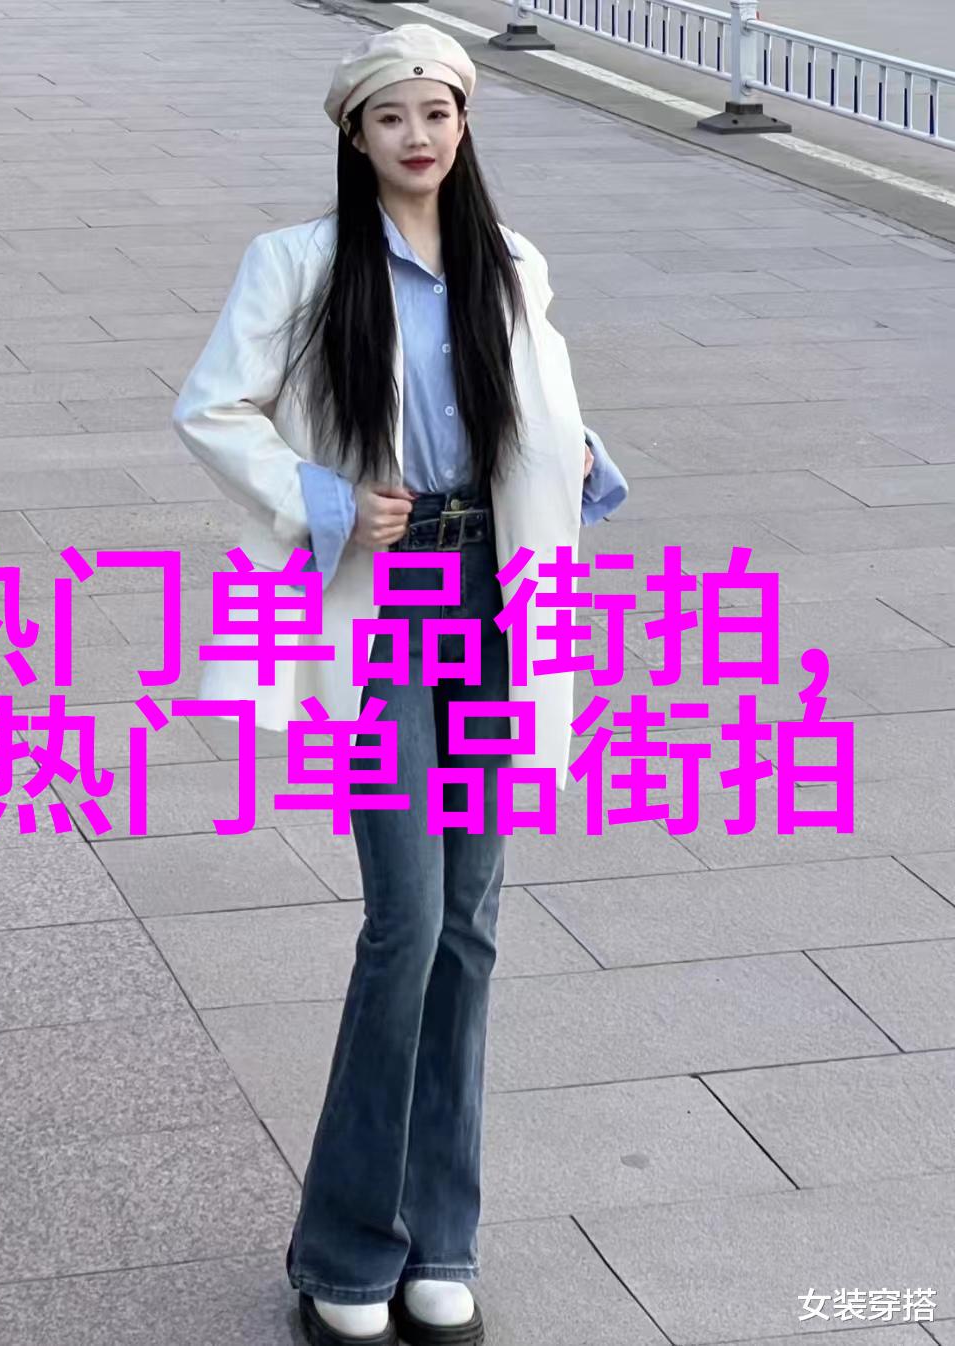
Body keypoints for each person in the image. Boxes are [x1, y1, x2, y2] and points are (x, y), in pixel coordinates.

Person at [172, 23, 628, 1346]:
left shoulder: (511, 261)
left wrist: (582, 459)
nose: (418, 136)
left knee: (472, 924)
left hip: (499, 595)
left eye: (438, 112)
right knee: (408, 922)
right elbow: (212, 408)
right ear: (355, 135)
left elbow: (535, 405)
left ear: (464, 122)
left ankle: (442, 1238)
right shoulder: (300, 265)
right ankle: (344, 1252)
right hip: (388, 602)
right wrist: (323, 499)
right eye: (392, 118)